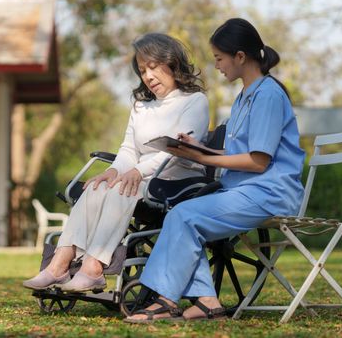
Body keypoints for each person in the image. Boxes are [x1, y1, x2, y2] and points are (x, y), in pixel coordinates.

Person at [125, 18, 305, 323]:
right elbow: (236, 154)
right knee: (181, 212)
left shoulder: (268, 95)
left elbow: (258, 161)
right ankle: (206, 300)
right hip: (245, 191)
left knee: (184, 216)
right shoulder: (244, 98)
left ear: (240, 56)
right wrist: (197, 149)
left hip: (270, 193)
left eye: (219, 59)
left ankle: (166, 301)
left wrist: (205, 159)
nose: (218, 66)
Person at [23, 33, 210, 293]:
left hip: (177, 180)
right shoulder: (141, 106)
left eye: (153, 67)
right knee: (97, 187)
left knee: (123, 188)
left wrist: (137, 171)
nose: (148, 76)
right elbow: (128, 149)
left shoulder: (195, 102)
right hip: (140, 177)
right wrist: (112, 171)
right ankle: (59, 265)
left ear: (172, 63)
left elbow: (179, 150)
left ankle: (93, 268)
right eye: (143, 70)